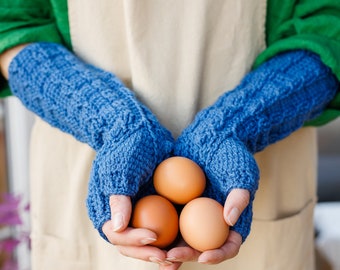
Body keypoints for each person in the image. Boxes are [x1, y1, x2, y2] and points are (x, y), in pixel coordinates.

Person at [0, 1, 339, 269]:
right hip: (86, 163)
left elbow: (329, 24)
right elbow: (13, 24)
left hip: (262, 177)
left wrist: (240, 120)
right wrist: (107, 119)